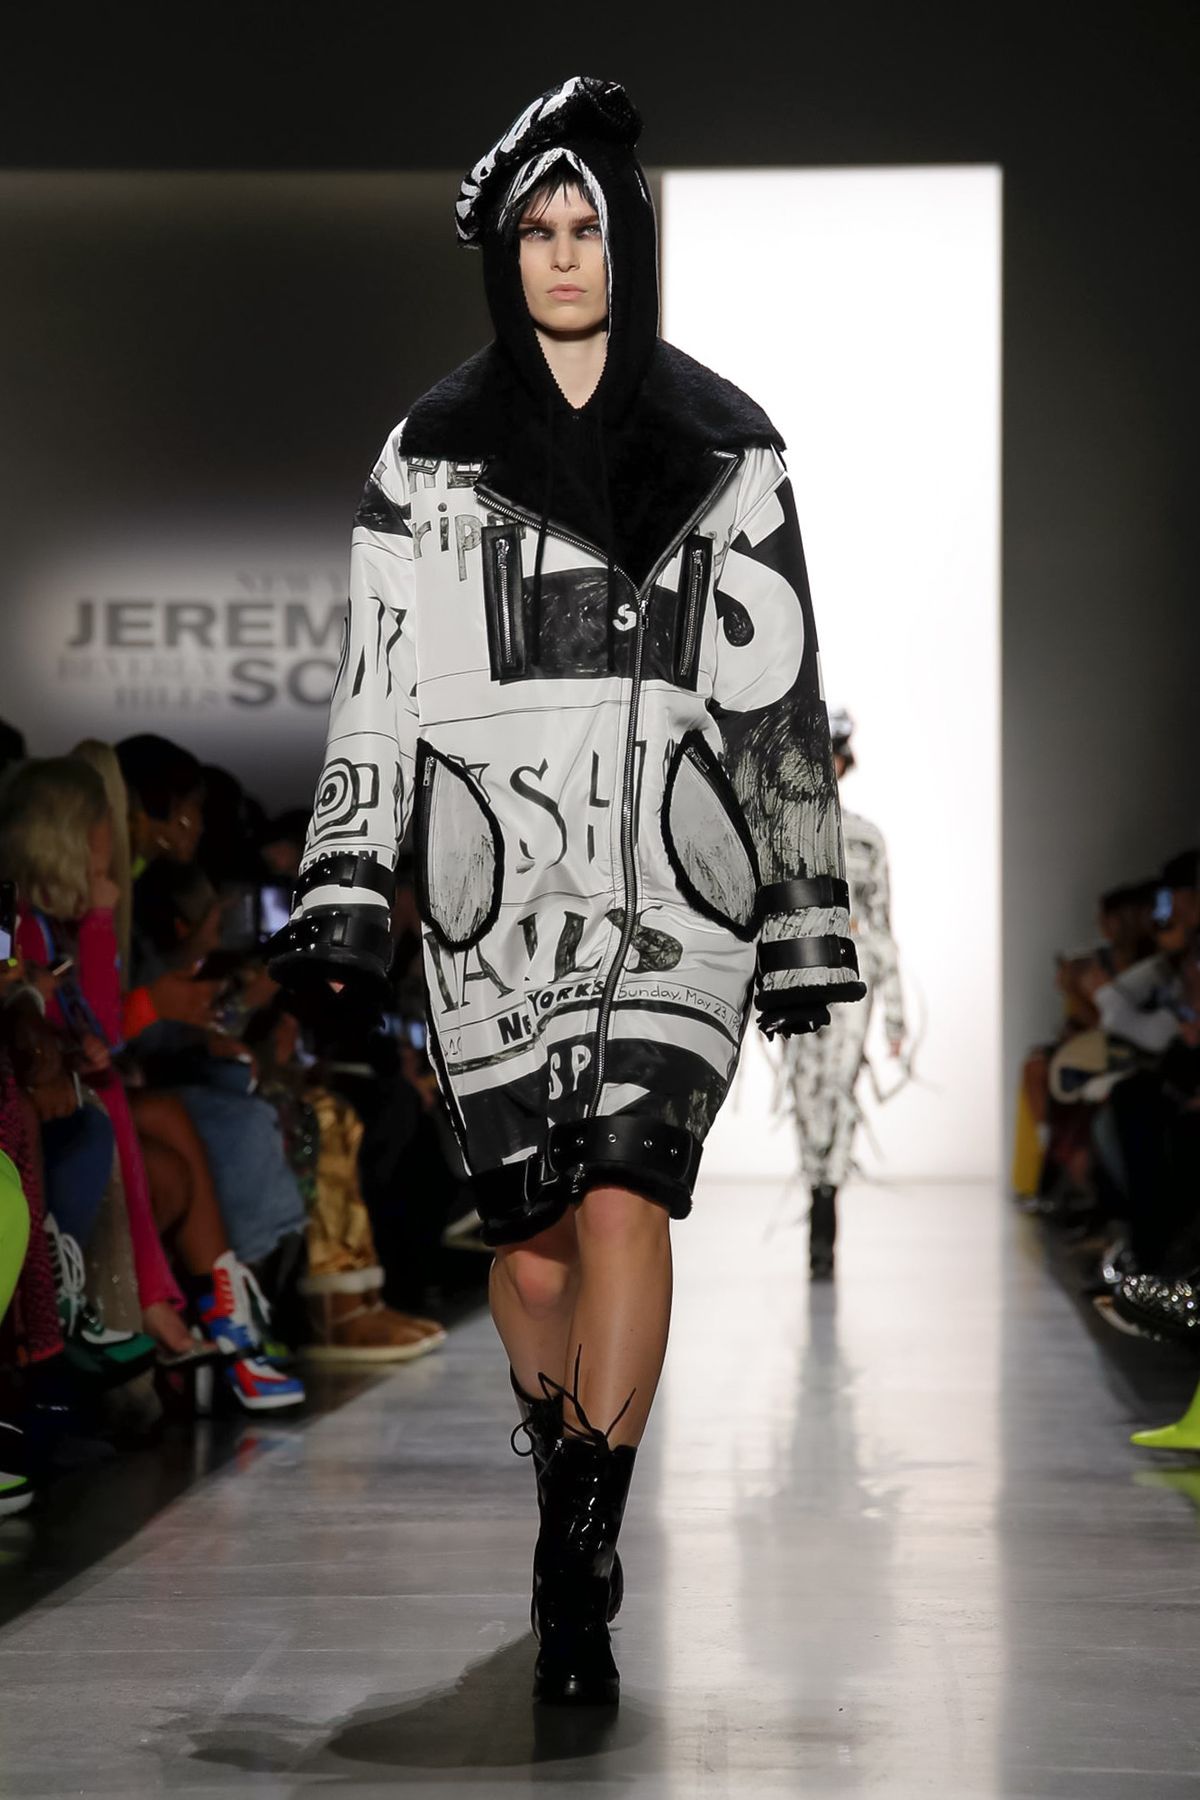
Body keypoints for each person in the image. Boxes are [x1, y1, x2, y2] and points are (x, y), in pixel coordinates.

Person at [269, 75, 862, 1706]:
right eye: (536, 229)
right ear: (504, 251)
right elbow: (378, 680)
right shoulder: (428, 453)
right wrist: (349, 879)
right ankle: (563, 1494)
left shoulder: (731, 444)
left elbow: (777, 693)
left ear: (630, 240)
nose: (561, 254)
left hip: (675, 884)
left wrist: (801, 910)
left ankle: (586, 1550)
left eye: (586, 226)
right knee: (528, 1249)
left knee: (622, 1201)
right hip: (494, 896)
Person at [776, 710, 906, 1278]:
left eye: (833, 756)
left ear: (844, 762)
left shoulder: (867, 838)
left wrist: (896, 1017)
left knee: (840, 1086)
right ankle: (817, 1190)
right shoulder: (780, 832)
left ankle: (827, 1205)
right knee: (806, 1093)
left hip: (854, 979)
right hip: (797, 976)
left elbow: (883, 925)